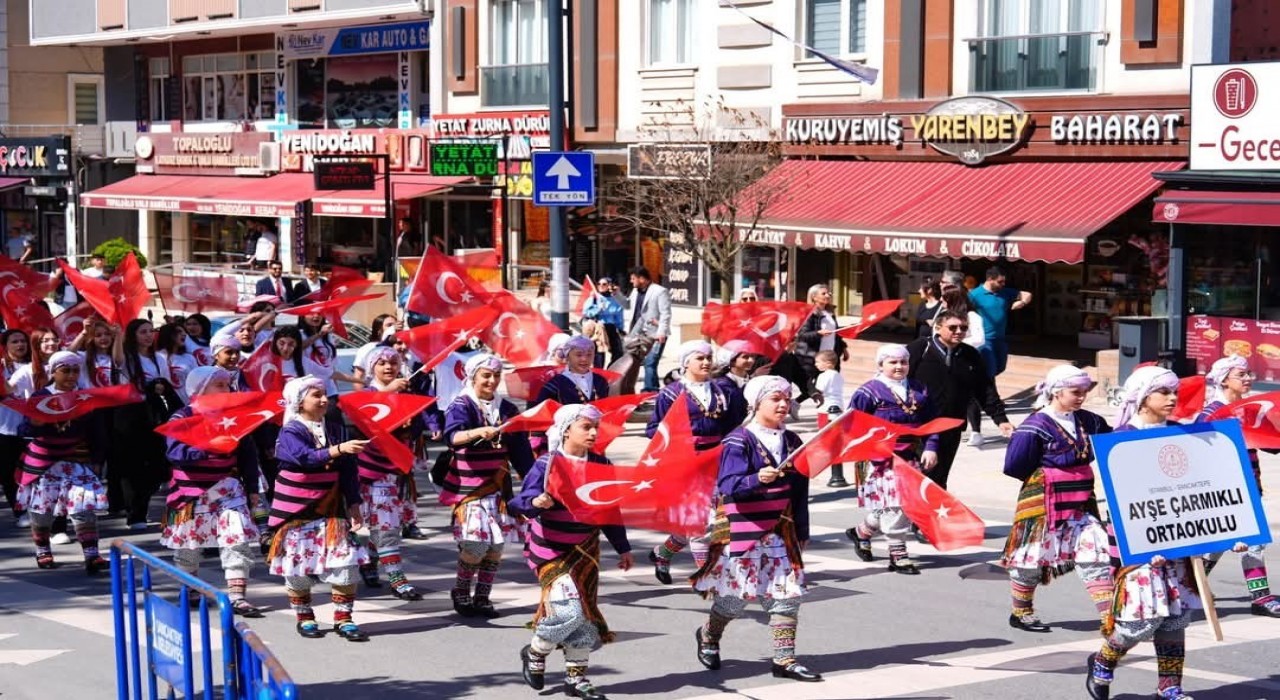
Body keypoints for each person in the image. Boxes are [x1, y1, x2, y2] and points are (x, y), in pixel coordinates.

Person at [691, 375, 821, 683]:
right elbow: (727, 485)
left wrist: (802, 528)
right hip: (744, 529)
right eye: (775, 399)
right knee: (735, 599)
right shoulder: (738, 440)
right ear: (756, 402)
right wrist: (754, 479)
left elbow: (799, 488)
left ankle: (784, 659)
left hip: (781, 528)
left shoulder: (792, 441)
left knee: (787, 595)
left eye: (785, 399)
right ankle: (709, 635)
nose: (782, 404)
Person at [1086, 365, 1197, 700]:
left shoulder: (1183, 434)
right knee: (1140, 622)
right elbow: (1115, 501)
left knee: (1175, 621)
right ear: (1141, 396)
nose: (1172, 398)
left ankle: (1170, 687)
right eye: (1163, 392)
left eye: (1174, 392)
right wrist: (1146, 542)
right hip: (1140, 546)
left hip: (1180, 541)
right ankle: (1104, 661)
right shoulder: (1120, 441)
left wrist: (1225, 531)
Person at [511, 404, 634, 700]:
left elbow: (610, 508)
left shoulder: (602, 464)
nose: (593, 433)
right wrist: (535, 503)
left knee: (585, 614)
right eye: (585, 427)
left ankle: (576, 678)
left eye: (595, 427)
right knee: (569, 610)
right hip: (551, 550)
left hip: (586, 550)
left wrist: (623, 547)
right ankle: (536, 651)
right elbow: (518, 504)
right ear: (566, 429)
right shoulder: (546, 465)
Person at [1001, 365, 1113, 633]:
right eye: (1075, 392)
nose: (1081, 397)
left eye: (1084, 392)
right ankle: (1021, 611)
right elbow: (1015, 464)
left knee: (1095, 549)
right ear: (1055, 392)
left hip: (1083, 498)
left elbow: (1114, 442)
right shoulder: (1034, 426)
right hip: (1042, 498)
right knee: (1031, 556)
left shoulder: (1090, 421)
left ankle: (1110, 617)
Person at [268, 376, 372, 641]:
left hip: (332, 506)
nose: (324, 399)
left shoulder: (336, 428)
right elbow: (305, 458)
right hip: (297, 510)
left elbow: (348, 469)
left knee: (346, 563)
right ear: (299, 401)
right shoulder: (290, 430)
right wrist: (338, 449)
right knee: (298, 568)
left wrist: (355, 503)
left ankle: (344, 618)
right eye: (316, 395)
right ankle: (304, 616)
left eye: (325, 394)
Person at [161, 366, 264, 617]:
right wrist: (209, 448)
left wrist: (252, 487)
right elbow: (175, 454)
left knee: (236, 538)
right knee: (188, 545)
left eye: (228, 385)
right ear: (200, 389)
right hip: (189, 493)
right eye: (220, 385)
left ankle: (237, 596)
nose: (227, 389)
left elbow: (248, 454)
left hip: (227, 489)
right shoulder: (181, 418)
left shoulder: (235, 418)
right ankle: (191, 588)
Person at [441, 353, 535, 618]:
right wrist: (477, 432)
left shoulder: (507, 410)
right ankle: (461, 590)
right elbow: (453, 437)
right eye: (486, 375)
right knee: (475, 545)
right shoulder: (461, 405)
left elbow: (521, 452)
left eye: (496, 375)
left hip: (498, 487)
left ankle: (482, 596)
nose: (492, 381)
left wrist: (532, 484)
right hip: (470, 487)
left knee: (496, 546)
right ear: (472, 377)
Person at [645, 340, 747, 585]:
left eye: (708, 358)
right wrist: (680, 443)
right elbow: (653, 430)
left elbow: (733, 427)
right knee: (701, 525)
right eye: (699, 358)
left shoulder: (723, 391)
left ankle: (662, 554)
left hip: (716, 461)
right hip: (685, 465)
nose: (706, 362)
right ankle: (707, 578)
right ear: (685, 363)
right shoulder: (671, 393)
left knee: (697, 524)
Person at [1195, 355, 1280, 617]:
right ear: (1224, 380)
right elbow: (1198, 453)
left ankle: (1192, 587)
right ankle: (1261, 597)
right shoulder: (1211, 414)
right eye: (1240, 375)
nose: (1247, 379)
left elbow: (1267, 441)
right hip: (1225, 491)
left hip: (1249, 484)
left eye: (1247, 374)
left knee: (1219, 544)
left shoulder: (1246, 409)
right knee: (1253, 540)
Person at [846, 344, 939, 574]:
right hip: (880, 460)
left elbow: (932, 422)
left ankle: (862, 532)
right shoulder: (868, 392)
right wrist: (871, 447)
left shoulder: (919, 389)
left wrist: (932, 447)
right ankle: (898, 555)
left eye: (903, 362)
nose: (899, 366)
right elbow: (850, 425)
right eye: (893, 362)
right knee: (897, 506)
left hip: (910, 457)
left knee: (897, 505)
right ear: (881, 365)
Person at [16, 352, 109, 574]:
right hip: (45, 462)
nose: (71, 375)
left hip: (76, 459)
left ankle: (91, 555)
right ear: (53, 372)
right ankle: (43, 550)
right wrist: (35, 423)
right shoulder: (40, 396)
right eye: (65, 370)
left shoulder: (85, 397)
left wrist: (97, 459)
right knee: (42, 511)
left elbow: (97, 432)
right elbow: (23, 430)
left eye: (75, 370)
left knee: (83, 507)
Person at [904, 310, 1013, 491]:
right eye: (953, 327)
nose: (959, 331)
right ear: (938, 328)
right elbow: (895, 379)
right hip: (919, 426)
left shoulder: (970, 355)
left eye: (963, 328)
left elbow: (985, 389)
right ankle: (915, 517)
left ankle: (932, 517)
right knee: (920, 475)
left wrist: (1000, 419)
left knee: (939, 477)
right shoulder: (920, 348)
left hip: (951, 427)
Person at [352, 347, 425, 600]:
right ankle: (396, 577)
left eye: (393, 363)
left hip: (398, 469)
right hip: (373, 471)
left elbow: (418, 426)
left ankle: (369, 562)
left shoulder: (406, 393)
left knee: (385, 524)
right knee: (387, 526)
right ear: (371, 367)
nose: (388, 367)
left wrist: (410, 424)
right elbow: (361, 417)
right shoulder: (366, 395)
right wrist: (388, 393)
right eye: (381, 363)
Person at [116, 318, 180, 530]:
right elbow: (116, 361)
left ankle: (142, 503)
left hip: (153, 413)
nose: (148, 335)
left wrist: (161, 387)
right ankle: (135, 513)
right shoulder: (127, 357)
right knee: (133, 466)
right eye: (143, 331)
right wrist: (117, 334)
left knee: (156, 465)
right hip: (130, 414)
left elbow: (166, 382)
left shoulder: (159, 358)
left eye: (151, 331)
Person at [941, 287, 988, 446]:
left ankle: (976, 431)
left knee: (970, 396)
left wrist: (958, 343)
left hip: (966, 359)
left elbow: (979, 339)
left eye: (945, 298)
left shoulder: (972, 316)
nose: (942, 301)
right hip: (948, 358)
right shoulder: (945, 317)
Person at [968, 266, 1031, 383]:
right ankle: (990, 396)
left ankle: (981, 384)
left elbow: (1027, 294)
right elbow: (964, 312)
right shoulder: (975, 295)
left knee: (1000, 367)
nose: (1003, 284)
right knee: (990, 370)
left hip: (1000, 339)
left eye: (1004, 281)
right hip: (985, 339)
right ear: (990, 279)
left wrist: (1021, 302)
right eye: (1000, 281)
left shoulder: (1004, 292)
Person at [793, 284, 848, 400]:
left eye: (829, 293)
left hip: (830, 354)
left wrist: (843, 347)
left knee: (828, 384)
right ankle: (797, 403)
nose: (828, 295)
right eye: (824, 294)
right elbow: (802, 335)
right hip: (812, 355)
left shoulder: (830, 313)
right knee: (813, 385)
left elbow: (836, 332)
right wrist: (819, 333)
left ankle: (796, 404)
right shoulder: (809, 313)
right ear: (814, 297)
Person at [1, 330, 31, 526]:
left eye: (23, 341)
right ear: (5, 345)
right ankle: (20, 511)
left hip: (31, 429)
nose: (20, 345)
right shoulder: (2, 367)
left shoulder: (33, 366)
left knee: (32, 472)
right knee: (8, 472)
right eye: (15, 341)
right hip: (5, 428)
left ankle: (40, 509)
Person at [625, 267, 671, 393]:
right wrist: (615, 294)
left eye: (633, 278)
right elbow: (627, 305)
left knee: (650, 361)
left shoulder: (660, 291)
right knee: (635, 361)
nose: (631, 281)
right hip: (637, 333)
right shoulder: (635, 291)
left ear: (642, 279)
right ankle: (653, 389)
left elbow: (665, 313)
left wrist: (662, 332)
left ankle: (649, 390)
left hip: (655, 333)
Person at [812, 350, 849, 488]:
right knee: (835, 440)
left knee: (828, 442)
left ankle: (836, 475)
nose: (816, 365)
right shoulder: (838, 375)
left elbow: (818, 390)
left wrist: (812, 384)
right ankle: (836, 474)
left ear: (828, 363)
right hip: (837, 409)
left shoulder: (824, 376)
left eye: (818, 362)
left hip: (825, 410)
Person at [582, 277, 624, 365]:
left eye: (604, 284)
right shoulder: (594, 298)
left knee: (618, 352)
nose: (601, 286)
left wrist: (620, 328)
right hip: (599, 327)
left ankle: (610, 371)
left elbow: (618, 315)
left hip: (610, 327)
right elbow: (586, 313)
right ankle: (599, 374)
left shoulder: (615, 300)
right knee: (599, 353)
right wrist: (598, 309)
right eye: (599, 284)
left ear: (609, 285)